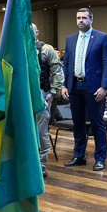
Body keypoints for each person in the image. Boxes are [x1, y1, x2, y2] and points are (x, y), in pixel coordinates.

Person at [62, 8, 107, 171]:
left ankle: (100, 159)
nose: (81, 21)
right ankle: (79, 156)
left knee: (97, 123)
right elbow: (66, 63)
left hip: (94, 87)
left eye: (84, 18)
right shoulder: (70, 39)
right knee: (78, 123)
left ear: (91, 19)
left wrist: (105, 87)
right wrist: (64, 84)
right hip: (74, 86)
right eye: (78, 18)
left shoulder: (102, 37)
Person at [34, 24, 64, 178]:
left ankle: (41, 164)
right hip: (22, 95)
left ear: (37, 32)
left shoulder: (46, 49)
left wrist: (53, 92)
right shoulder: (17, 48)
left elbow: (58, 72)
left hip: (41, 94)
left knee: (41, 131)